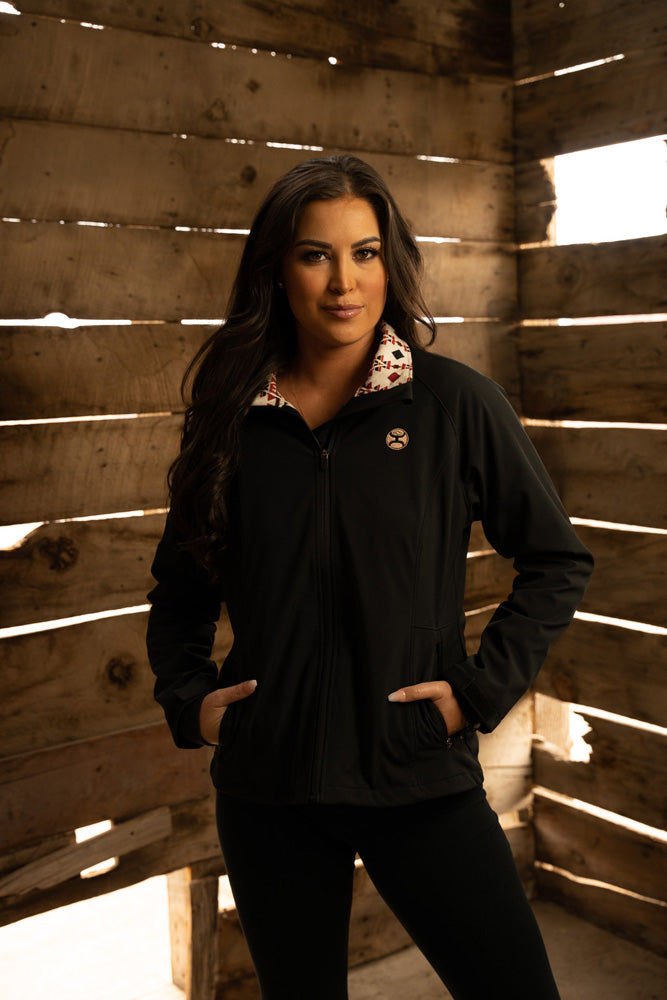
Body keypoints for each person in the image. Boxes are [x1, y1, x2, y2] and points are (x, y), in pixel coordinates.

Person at [146, 154, 593, 1000]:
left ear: (391, 263)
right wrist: (189, 702)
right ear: (278, 269)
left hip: (415, 773)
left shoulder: (454, 404)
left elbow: (556, 560)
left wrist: (476, 693)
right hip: (269, 788)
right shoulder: (233, 419)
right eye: (315, 255)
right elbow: (180, 592)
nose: (343, 282)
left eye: (365, 253)